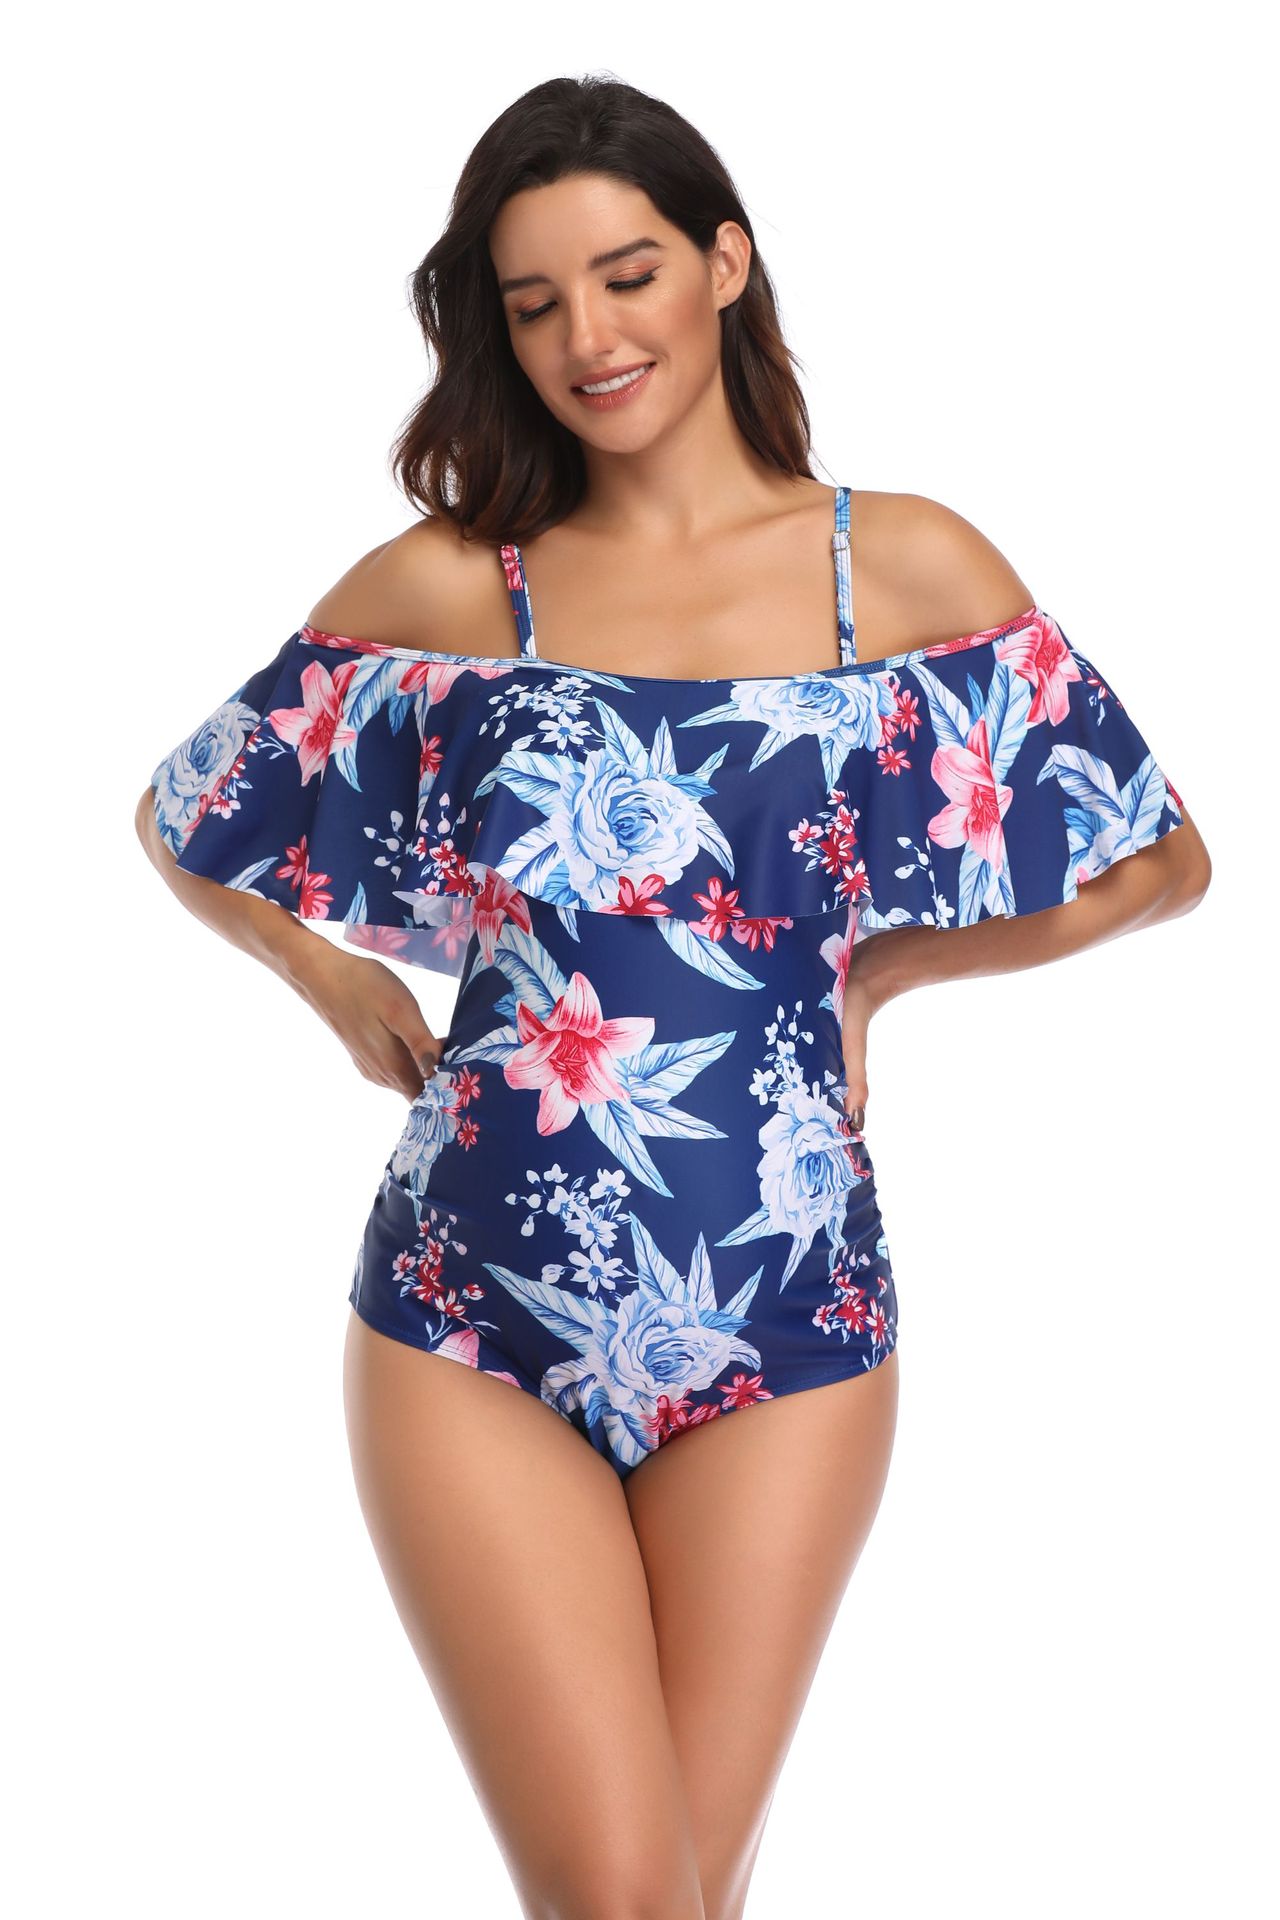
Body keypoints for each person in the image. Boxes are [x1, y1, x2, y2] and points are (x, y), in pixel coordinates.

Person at [135, 73, 1212, 1920]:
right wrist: (323, 977)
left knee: (674, 1905)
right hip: (471, 1313)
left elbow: (1155, 859)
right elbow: (186, 813)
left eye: (626, 275)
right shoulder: (457, 588)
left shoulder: (903, 569)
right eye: (534, 302)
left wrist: (889, 967)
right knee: (626, 1899)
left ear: (724, 263)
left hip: (790, 1323)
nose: (588, 337)